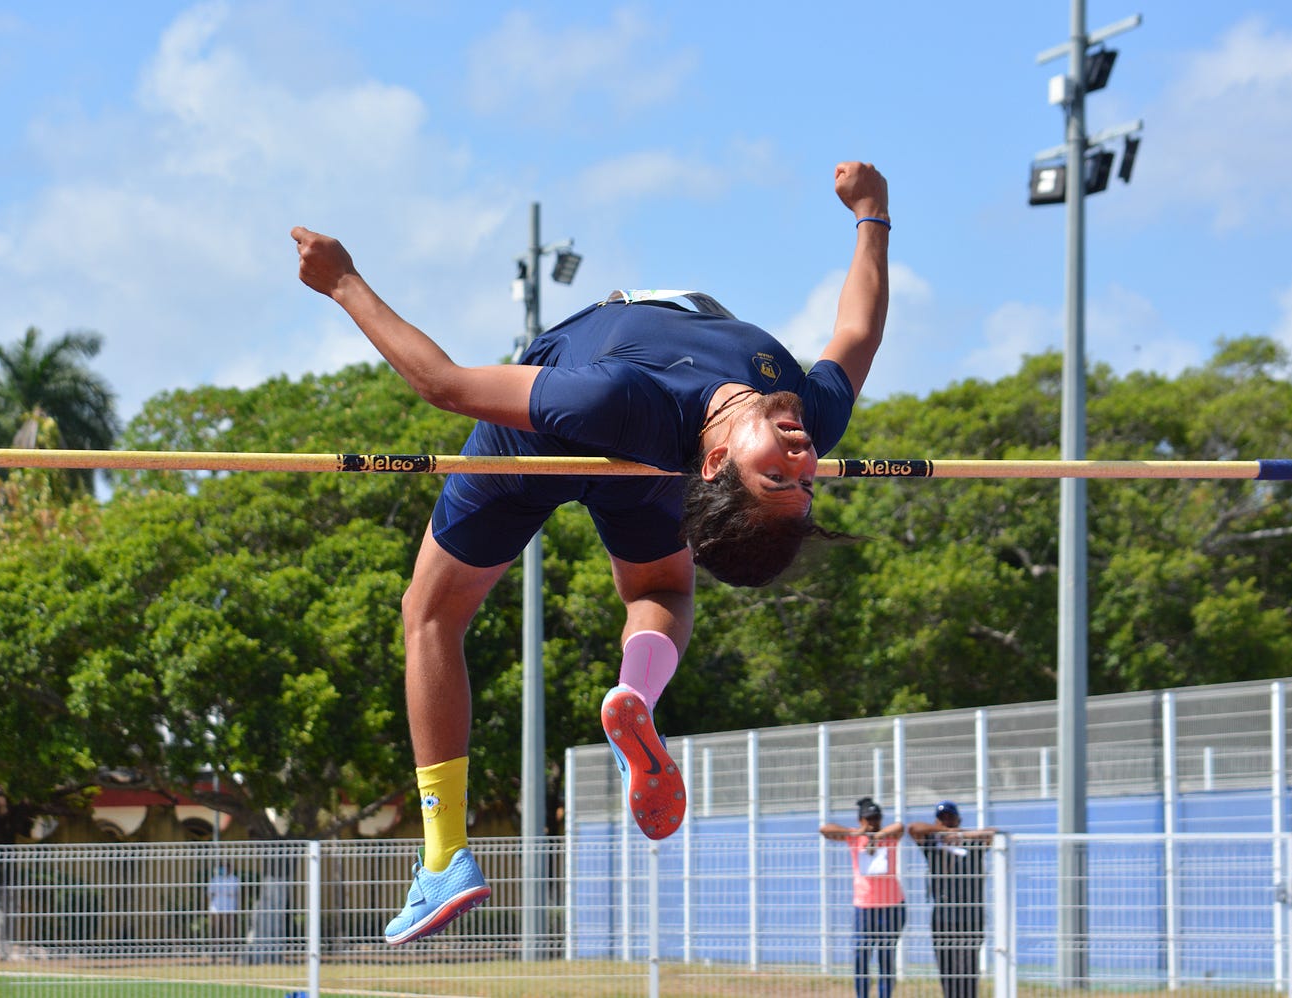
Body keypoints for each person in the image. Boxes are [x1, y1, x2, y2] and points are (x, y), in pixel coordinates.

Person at [292, 161, 891, 944]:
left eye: (774, 474)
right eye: (804, 482)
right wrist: (872, 214)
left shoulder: (609, 399)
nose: (802, 456)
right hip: (645, 460)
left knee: (429, 614)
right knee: (664, 594)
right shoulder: (807, 412)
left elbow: (443, 383)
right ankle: (636, 696)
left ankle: (443, 856)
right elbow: (857, 328)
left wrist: (343, 282)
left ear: (713, 466)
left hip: (547, 439)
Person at [908, 802, 998, 998]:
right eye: (942, 819)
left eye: (950, 818)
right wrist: (941, 833)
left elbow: (992, 833)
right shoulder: (933, 844)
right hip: (943, 918)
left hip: (971, 918)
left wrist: (960, 835)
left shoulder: (972, 845)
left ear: (958, 820)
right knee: (947, 969)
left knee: (968, 968)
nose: (947, 822)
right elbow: (913, 828)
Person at [820, 797, 906, 998]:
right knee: (861, 956)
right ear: (860, 820)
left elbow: (900, 826)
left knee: (886, 956)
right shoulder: (855, 838)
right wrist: (857, 833)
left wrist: (878, 836)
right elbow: (825, 830)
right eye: (868, 819)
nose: (872, 823)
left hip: (891, 905)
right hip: (865, 907)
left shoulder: (889, 837)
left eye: (876, 818)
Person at [206, 861, 241, 962]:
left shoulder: (235, 880)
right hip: (216, 909)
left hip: (230, 909)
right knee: (215, 933)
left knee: (231, 933)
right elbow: (209, 895)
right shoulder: (215, 879)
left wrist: (237, 909)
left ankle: (234, 957)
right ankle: (214, 957)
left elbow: (238, 895)